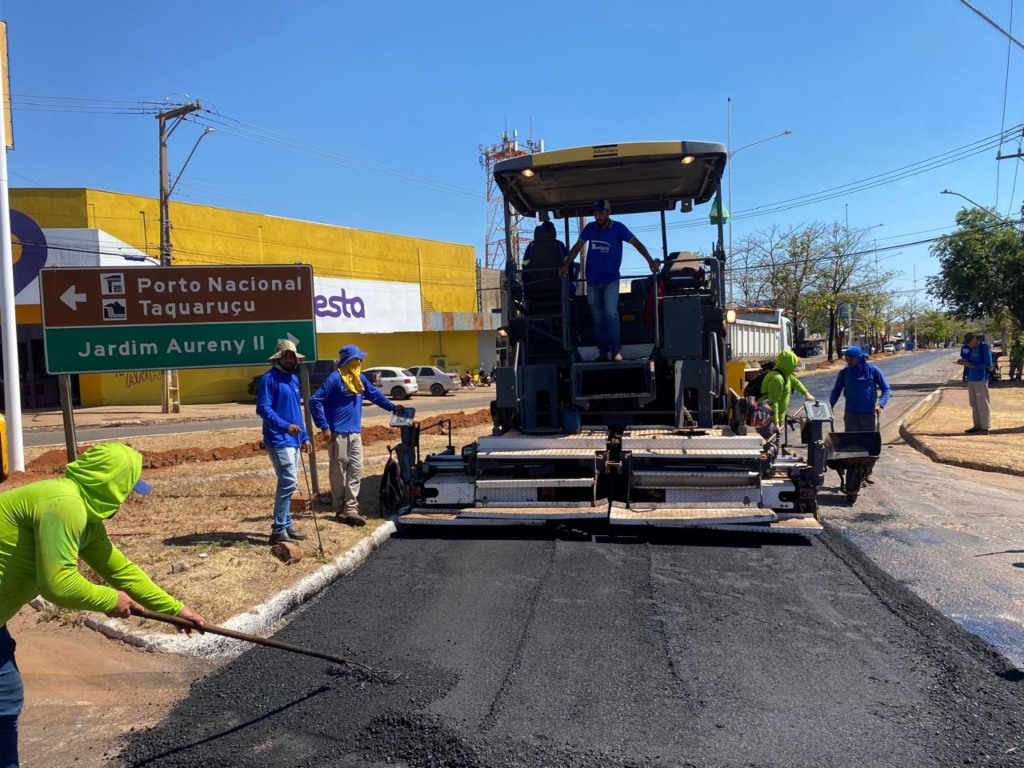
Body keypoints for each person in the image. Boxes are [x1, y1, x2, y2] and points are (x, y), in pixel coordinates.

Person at [0, 442, 206, 766]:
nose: (125, 501)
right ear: (110, 486)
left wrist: (175, 610)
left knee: (6, 700)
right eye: (126, 490)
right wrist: (110, 599)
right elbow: (58, 584)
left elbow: (120, 570)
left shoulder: (85, 521)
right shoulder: (64, 504)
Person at [310, 344, 402, 527]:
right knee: (338, 470)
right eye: (355, 359)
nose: (359, 362)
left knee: (356, 469)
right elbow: (315, 401)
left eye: (360, 359)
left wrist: (393, 407)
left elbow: (374, 394)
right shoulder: (335, 379)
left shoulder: (359, 379)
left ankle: (351, 508)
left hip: (355, 433)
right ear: (346, 361)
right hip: (337, 433)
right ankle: (339, 508)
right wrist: (324, 426)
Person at [558, 199, 658, 362]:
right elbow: (577, 247)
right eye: (595, 213)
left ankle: (616, 350)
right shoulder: (589, 228)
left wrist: (650, 260)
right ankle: (603, 352)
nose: (598, 216)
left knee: (611, 314)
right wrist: (565, 265)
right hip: (592, 281)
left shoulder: (619, 228)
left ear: (608, 212)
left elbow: (636, 243)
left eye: (601, 212)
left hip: (611, 280)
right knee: (597, 317)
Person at [255, 339, 313, 544]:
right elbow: (263, 408)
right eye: (286, 356)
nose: (290, 359)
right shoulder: (268, 379)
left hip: (294, 439)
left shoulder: (293, 380)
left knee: (288, 482)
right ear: (279, 358)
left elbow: (297, 412)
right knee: (289, 482)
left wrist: (304, 436)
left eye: (293, 356)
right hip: (278, 438)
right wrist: (284, 425)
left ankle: (287, 525)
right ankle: (278, 529)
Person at [829, 346, 891, 484]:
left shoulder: (873, 371)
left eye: (852, 359)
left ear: (860, 358)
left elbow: (886, 389)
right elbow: (836, 391)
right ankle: (855, 473)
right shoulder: (844, 373)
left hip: (868, 414)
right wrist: (829, 407)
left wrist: (880, 404)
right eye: (847, 358)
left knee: (868, 445)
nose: (849, 361)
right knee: (852, 445)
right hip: (851, 414)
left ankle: (867, 472)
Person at [757, 350, 815, 439]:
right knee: (769, 445)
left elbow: (796, 382)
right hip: (768, 419)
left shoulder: (785, 374)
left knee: (775, 445)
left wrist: (806, 393)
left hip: (775, 418)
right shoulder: (777, 379)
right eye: (794, 363)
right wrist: (776, 423)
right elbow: (773, 402)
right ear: (788, 363)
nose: (796, 365)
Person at [956, 332, 993, 435]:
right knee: (974, 404)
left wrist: (973, 366)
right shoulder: (972, 349)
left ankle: (985, 427)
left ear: (975, 339)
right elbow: (969, 360)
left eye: (970, 342)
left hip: (980, 379)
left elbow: (988, 364)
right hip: (971, 379)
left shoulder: (984, 348)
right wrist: (963, 362)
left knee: (982, 404)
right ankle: (977, 426)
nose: (969, 344)